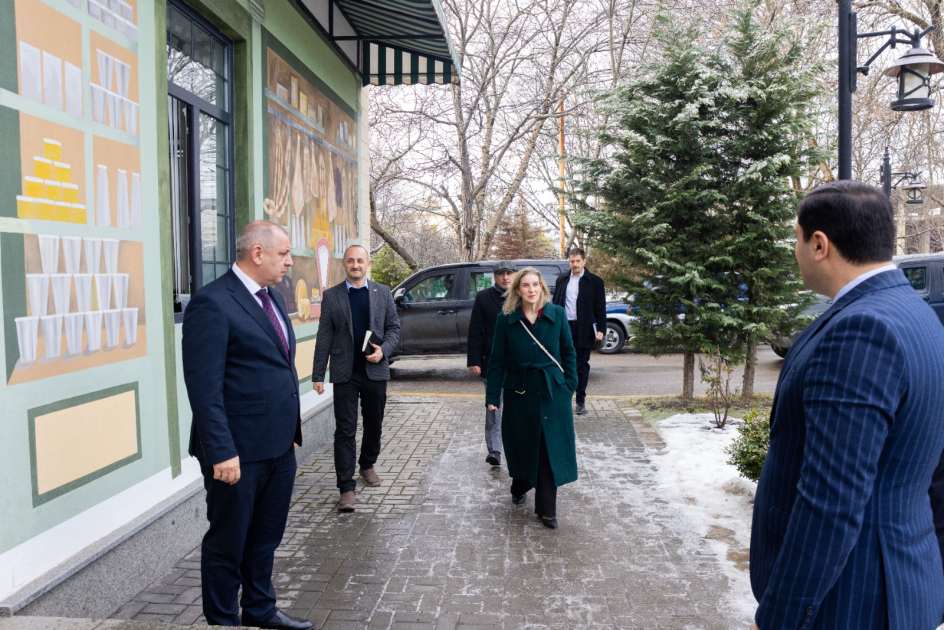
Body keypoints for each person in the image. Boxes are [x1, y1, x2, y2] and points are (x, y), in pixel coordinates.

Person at [749, 181, 944, 630]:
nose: (794, 250)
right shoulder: (915, 313)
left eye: (795, 238)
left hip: (850, 600)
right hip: (898, 584)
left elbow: (831, 501)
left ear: (819, 244)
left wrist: (781, 617)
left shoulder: (862, 330)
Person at [182, 221, 312, 630]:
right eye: (283, 254)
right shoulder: (212, 303)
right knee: (228, 543)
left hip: (277, 446)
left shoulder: (271, 297)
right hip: (235, 453)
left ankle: (260, 609)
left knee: (264, 539)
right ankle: (223, 621)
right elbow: (204, 389)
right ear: (257, 253)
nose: (290, 262)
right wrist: (220, 450)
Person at [486, 268, 578, 528]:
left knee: (548, 448)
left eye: (536, 285)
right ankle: (520, 485)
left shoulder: (557, 315)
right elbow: (496, 361)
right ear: (517, 290)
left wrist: (569, 385)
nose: (531, 290)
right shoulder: (506, 319)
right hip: (520, 392)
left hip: (552, 391)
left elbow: (569, 353)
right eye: (525, 285)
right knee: (525, 445)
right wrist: (492, 395)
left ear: (542, 288)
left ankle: (547, 510)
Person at [312, 245, 400, 512]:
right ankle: (346, 488)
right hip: (344, 372)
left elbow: (394, 328)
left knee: (374, 424)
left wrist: (383, 350)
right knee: (345, 430)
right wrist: (318, 374)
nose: (356, 265)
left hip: (374, 370)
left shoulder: (382, 293)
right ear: (344, 264)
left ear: (368, 263)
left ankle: (367, 464)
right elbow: (324, 335)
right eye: (350, 261)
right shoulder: (332, 296)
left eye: (360, 260)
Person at [467, 260, 517, 467]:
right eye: (500, 273)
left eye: (509, 273)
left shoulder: (522, 295)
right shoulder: (483, 298)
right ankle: (495, 450)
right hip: (492, 363)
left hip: (518, 365)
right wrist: (474, 359)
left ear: (515, 275)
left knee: (516, 410)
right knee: (494, 407)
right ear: (494, 276)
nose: (505, 277)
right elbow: (475, 330)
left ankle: (516, 448)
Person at [552, 247, 605, 415]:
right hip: (564, 329)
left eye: (577, 261)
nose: (574, 264)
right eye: (572, 261)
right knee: (562, 365)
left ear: (584, 261)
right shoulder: (562, 280)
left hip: (584, 329)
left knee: (581, 366)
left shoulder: (595, 281)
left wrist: (601, 329)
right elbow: (555, 305)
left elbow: (600, 308)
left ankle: (580, 400)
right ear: (569, 262)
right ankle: (564, 399)